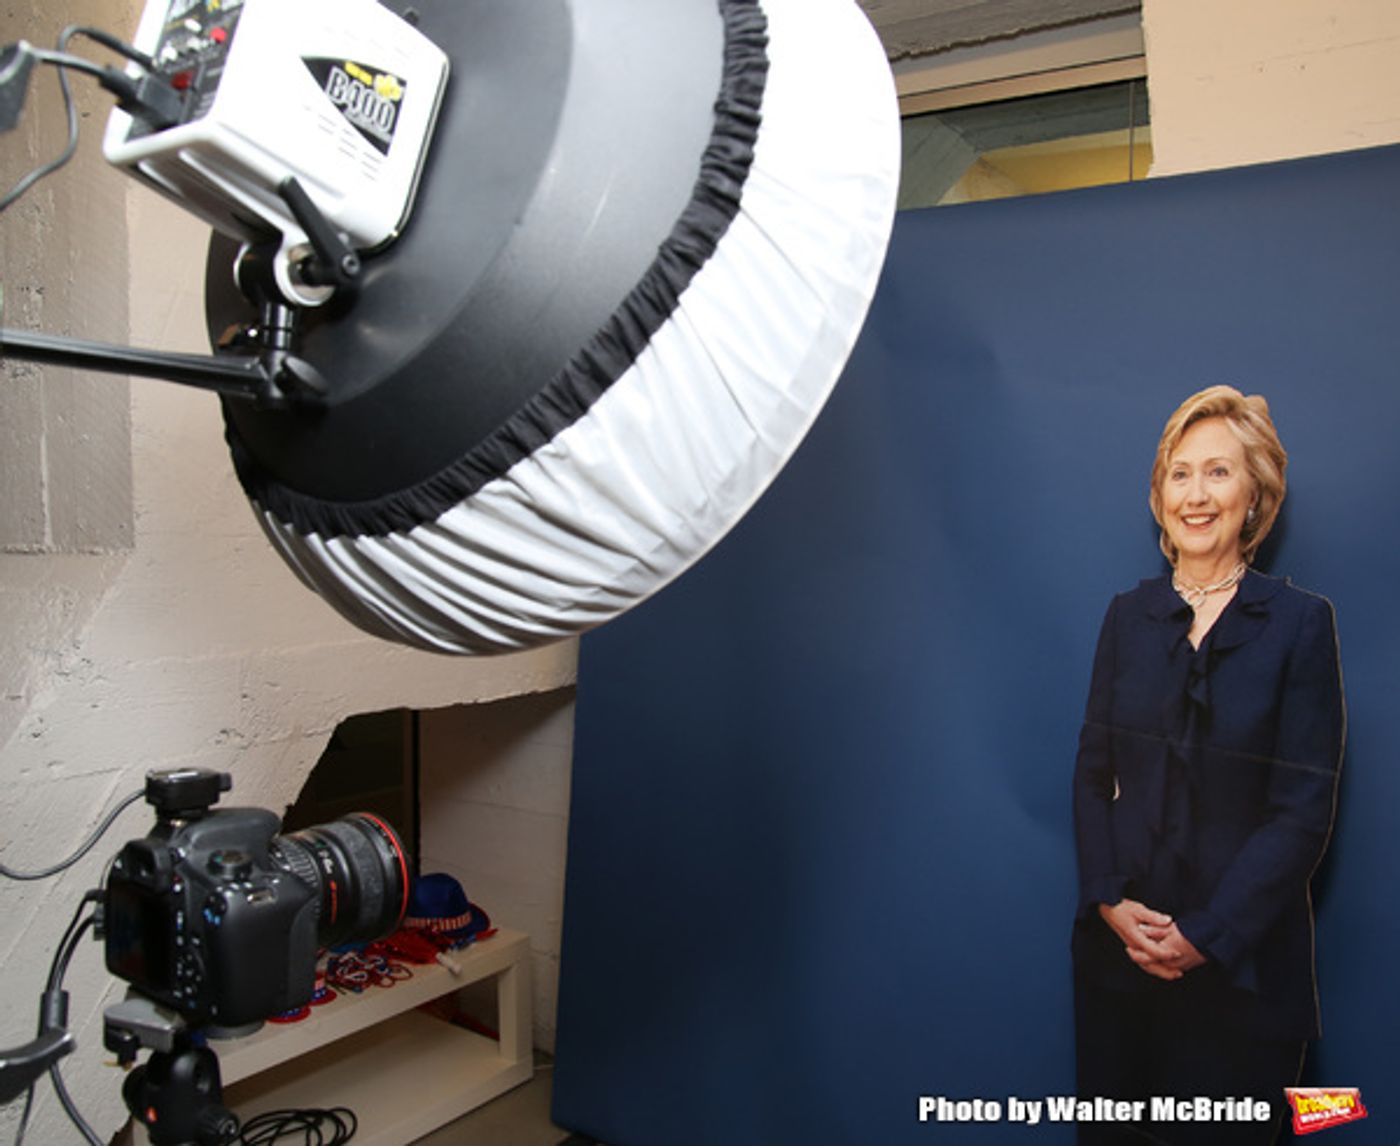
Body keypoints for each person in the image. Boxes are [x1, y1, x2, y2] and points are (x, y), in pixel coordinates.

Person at [1071, 386, 1345, 1145]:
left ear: (1254, 496)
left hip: (1243, 972)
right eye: (1180, 473)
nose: (1196, 494)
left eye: (1218, 473)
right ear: (1160, 494)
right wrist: (1106, 899)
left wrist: (1209, 934)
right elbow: (1092, 773)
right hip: (1118, 966)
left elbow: (1303, 810)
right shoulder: (1127, 617)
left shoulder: (1300, 625)